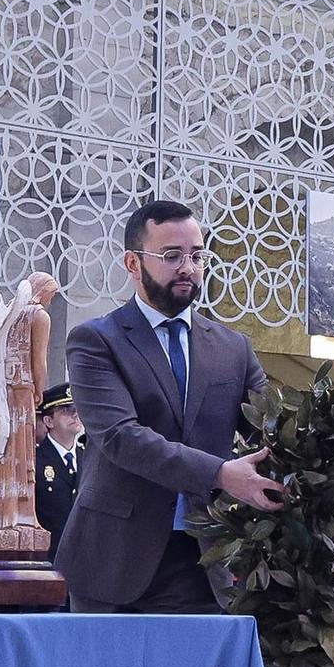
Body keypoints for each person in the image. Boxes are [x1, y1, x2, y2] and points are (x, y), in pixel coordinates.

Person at [58, 200, 284, 613]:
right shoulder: (95, 341)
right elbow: (121, 437)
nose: (188, 267)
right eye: (171, 256)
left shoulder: (233, 348)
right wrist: (220, 473)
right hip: (113, 563)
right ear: (132, 262)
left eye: (197, 256)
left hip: (205, 560)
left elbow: (273, 432)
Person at [35, 383, 84, 551]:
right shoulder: (35, 461)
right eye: (67, 410)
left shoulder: (89, 458)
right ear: (49, 421)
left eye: (77, 409)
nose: (75, 415)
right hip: (51, 556)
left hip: (86, 556)